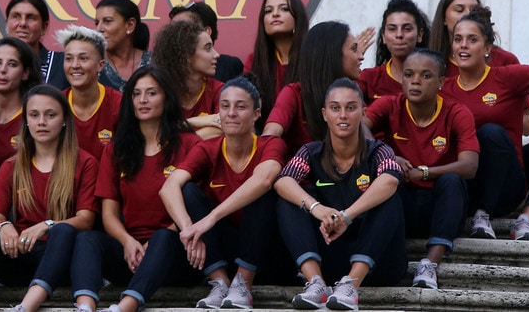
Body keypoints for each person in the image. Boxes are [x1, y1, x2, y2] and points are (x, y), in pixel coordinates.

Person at [70, 67, 201, 312]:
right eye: (136, 94)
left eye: (151, 93)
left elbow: (197, 206)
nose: (142, 100)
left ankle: (126, 307)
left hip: (177, 252)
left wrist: (154, 243)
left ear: (167, 98)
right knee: (87, 239)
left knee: (163, 238)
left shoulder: (190, 144)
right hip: (132, 253)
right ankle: (85, 306)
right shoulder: (117, 148)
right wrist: (128, 242)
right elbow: (108, 214)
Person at [0, 85, 98, 312]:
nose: (41, 122)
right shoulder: (12, 165)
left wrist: (47, 225)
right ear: (26, 121)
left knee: (62, 231)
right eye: (34, 115)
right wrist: (4, 226)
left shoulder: (85, 162)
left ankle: (26, 307)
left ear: (64, 120)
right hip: (21, 254)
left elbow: (86, 220)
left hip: (61, 259)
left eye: (50, 115)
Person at [275, 79, 406, 311]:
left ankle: (352, 285)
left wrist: (346, 217)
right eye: (335, 108)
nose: (343, 115)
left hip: (377, 262)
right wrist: (318, 208)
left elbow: (389, 180)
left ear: (364, 112)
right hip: (331, 255)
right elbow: (283, 181)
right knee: (290, 198)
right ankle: (315, 283)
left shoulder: (379, 150)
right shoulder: (311, 152)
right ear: (325, 114)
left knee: (389, 197)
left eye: (351, 107)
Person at [445, 7, 529, 243]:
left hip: (507, 186)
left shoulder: (505, 77)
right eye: (458, 39)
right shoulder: (443, 89)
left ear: (487, 49)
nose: (463, 45)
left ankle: (525, 219)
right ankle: (479, 211)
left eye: (472, 40)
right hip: (467, 184)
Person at [159, 77, 288, 309]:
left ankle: (243, 284)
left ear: (256, 114)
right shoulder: (208, 148)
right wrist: (189, 229)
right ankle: (220, 282)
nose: (231, 113)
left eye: (241, 106)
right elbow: (169, 187)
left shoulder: (271, 143)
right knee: (187, 191)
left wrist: (210, 218)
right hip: (223, 246)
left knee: (263, 192)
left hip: (265, 249)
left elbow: (265, 179)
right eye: (225, 106)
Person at [363, 49, 478, 289]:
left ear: (441, 82)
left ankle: (429, 265)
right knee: (386, 183)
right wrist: (389, 155)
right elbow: (359, 127)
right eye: (408, 74)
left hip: (441, 205)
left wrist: (424, 172)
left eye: (426, 76)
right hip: (404, 201)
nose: (415, 81)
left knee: (452, 181)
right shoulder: (390, 103)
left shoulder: (456, 112)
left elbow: (469, 166)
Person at [429, 0, 529, 136]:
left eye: (474, 9)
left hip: (498, 150)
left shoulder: (505, 60)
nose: (467, 14)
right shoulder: (430, 64)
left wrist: (491, 111)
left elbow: (528, 127)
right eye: (459, 10)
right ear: (444, 20)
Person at [264, 22, 364, 157]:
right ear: (332, 54)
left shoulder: (353, 93)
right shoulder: (293, 93)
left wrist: (388, 158)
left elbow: (366, 135)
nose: (361, 56)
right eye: (354, 49)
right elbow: (270, 135)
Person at [0, 38, 42, 178]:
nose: (3, 70)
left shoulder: (36, 117)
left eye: (12, 64)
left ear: (25, 73)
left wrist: (1, 179)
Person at [0, 0, 68, 90]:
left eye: (30, 17)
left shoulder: (62, 64)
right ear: (6, 24)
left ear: (44, 27)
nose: (22, 23)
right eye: (16, 16)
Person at [57, 25, 123, 161]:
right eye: (69, 58)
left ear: (100, 65)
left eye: (83, 58)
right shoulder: (55, 104)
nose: (75, 65)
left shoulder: (118, 104)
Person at [151, 19, 223, 138]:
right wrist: (196, 123)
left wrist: (181, 126)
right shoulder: (160, 91)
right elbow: (154, 135)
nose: (217, 55)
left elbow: (225, 126)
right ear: (186, 56)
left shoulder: (219, 90)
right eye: (208, 48)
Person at [246, 0, 309, 121]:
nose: (275, 14)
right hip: (268, 137)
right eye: (268, 11)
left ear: (298, 16)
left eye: (284, 9)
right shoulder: (255, 60)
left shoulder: (313, 56)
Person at [358, 0, 430, 102]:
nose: (399, 35)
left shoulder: (434, 79)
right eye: (392, 29)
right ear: (383, 36)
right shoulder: (369, 79)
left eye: (407, 29)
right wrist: (351, 58)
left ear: (420, 34)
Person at [168, 2, 244, 82]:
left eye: (183, 28)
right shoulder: (162, 70)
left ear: (206, 32)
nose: (173, 35)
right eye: (171, 29)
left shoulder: (229, 66)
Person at [95, 0, 152, 91]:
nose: (99, 29)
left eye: (107, 21)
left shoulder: (156, 62)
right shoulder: (93, 65)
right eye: (97, 23)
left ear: (130, 25)